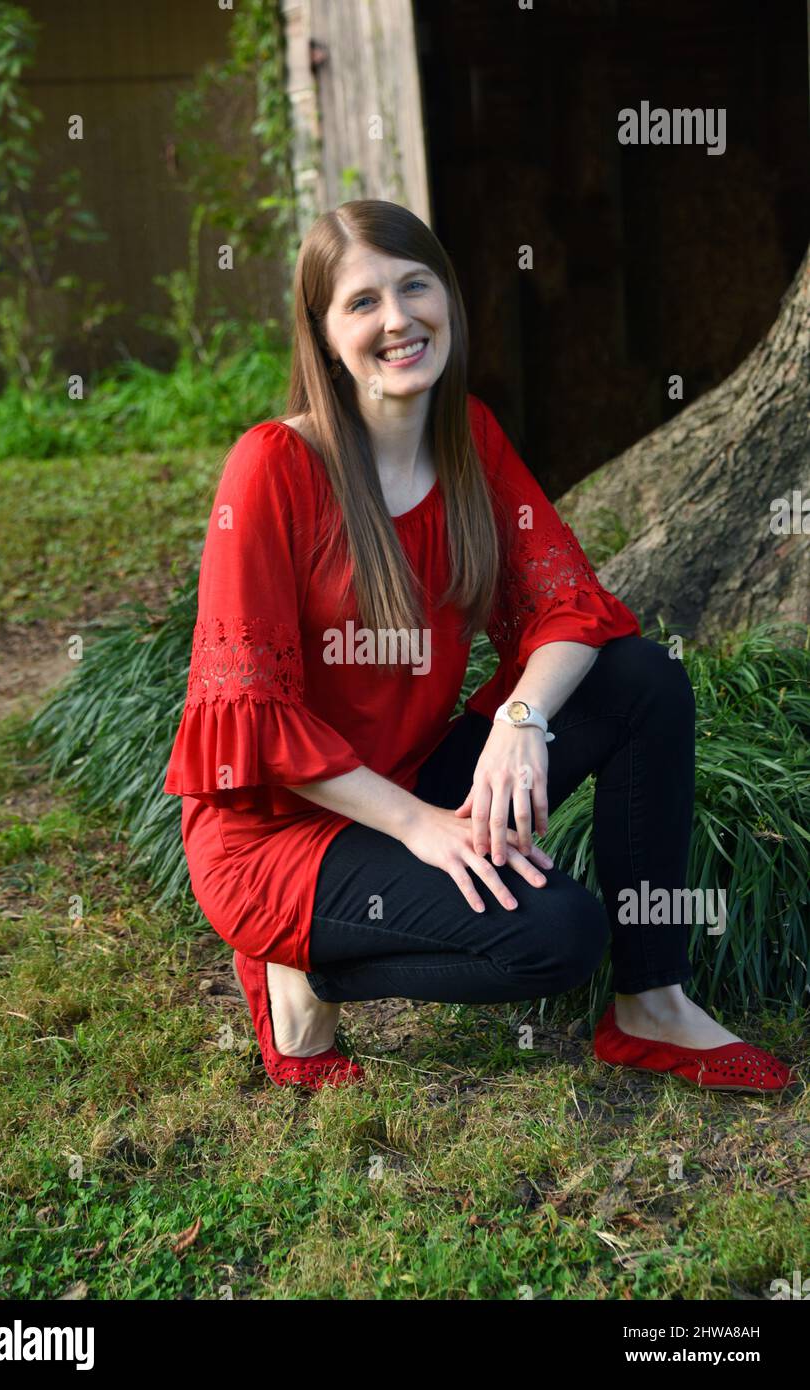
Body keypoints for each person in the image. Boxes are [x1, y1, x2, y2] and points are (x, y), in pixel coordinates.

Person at [163, 199, 795, 1096]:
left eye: (414, 286)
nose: (397, 319)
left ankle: (651, 1003)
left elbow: (570, 609)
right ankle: (297, 968)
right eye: (362, 301)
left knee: (639, 679)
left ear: (448, 297)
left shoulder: (468, 442)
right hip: (281, 834)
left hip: (414, 772)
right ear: (322, 332)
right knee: (558, 936)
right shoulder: (273, 467)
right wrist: (427, 829)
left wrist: (522, 718)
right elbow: (255, 724)